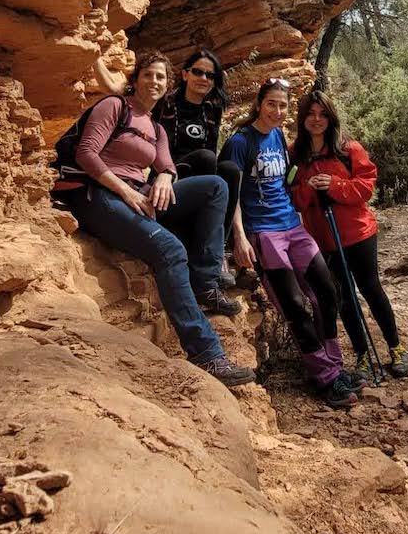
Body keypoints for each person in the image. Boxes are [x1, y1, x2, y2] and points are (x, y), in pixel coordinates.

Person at [52, 51, 251, 388]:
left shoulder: (155, 127)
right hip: (96, 194)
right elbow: (87, 152)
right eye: (148, 75)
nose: (154, 82)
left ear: (167, 84)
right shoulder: (114, 106)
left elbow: (167, 164)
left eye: (161, 77)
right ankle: (207, 355)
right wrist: (126, 192)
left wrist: (164, 178)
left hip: (137, 192)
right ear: (136, 78)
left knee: (216, 185)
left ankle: (205, 280)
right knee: (170, 251)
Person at [220, 78, 361, 411]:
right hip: (264, 233)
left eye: (283, 105)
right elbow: (231, 195)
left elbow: (285, 181)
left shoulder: (279, 136)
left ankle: (334, 364)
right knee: (294, 304)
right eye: (271, 104)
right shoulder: (240, 142)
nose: (277, 111)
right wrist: (239, 237)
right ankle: (326, 377)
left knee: (327, 291)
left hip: (292, 227)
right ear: (259, 104)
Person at [290, 91, 408, 380]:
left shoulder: (348, 149)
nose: (317, 120)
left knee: (371, 288)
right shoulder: (294, 154)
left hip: (358, 232)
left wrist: (334, 185)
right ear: (303, 118)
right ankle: (361, 355)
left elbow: (366, 187)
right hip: (323, 237)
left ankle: (396, 347)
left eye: (323, 114)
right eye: (311, 114)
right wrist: (309, 186)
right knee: (343, 297)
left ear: (331, 118)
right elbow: (293, 198)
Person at [153, 49, 240, 284]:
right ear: (184, 74)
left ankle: (218, 247)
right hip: (169, 176)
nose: (203, 79)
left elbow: (211, 147)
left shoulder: (212, 110)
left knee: (230, 169)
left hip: (203, 174)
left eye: (210, 76)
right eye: (198, 72)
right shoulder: (166, 104)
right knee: (206, 158)